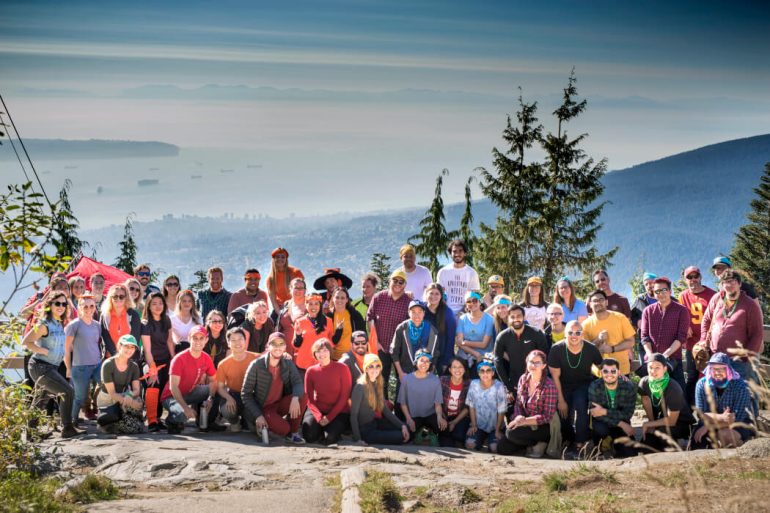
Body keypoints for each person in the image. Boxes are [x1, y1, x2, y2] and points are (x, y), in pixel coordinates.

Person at [23, 291, 84, 438]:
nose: (61, 306)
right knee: (67, 392)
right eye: (57, 303)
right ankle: (67, 428)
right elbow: (26, 342)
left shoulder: (59, 324)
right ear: (49, 305)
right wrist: (41, 350)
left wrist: (68, 367)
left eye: (64, 304)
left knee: (41, 399)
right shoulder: (44, 324)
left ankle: (31, 433)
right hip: (40, 366)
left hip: (52, 367)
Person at [548, 320, 603, 458]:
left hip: (583, 384)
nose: (574, 335)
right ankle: (569, 440)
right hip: (563, 384)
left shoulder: (591, 349)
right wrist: (560, 400)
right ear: (565, 334)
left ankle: (580, 444)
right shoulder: (556, 349)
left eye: (578, 332)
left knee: (580, 404)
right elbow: (555, 377)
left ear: (582, 335)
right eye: (570, 332)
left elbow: (602, 367)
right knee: (563, 414)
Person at [700, 269, 764, 386]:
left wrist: (745, 358)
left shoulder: (749, 305)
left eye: (733, 281)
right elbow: (706, 320)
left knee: (743, 394)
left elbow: (757, 334)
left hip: (738, 362)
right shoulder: (717, 299)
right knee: (717, 393)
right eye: (725, 282)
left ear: (739, 284)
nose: (729, 285)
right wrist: (703, 339)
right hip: (716, 358)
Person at [241, 332, 306, 443]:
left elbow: (297, 382)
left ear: (285, 347)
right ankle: (275, 427)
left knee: (302, 396)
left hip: (278, 405)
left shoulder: (288, 363)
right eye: (274, 344)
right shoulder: (256, 365)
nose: (278, 347)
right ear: (268, 346)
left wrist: (295, 398)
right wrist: (258, 415)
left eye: (281, 344)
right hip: (263, 409)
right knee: (284, 429)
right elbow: (245, 394)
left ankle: (293, 433)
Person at [497, 350, 557, 458]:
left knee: (511, 433)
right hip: (525, 421)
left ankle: (540, 442)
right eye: (531, 362)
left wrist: (524, 422)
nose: (533, 365)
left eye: (537, 363)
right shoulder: (523, 379)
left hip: (543, 426)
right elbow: (518, 403)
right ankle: (529, 445)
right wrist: (518, 417)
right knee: (502, 448)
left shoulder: (549, 386)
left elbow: (547, 417)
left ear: (543, 366)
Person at [161, 326, 218, 434]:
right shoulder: (179, 359)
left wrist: (210, 398)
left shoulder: (206, 358)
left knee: (218, 390)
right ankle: (171, 421)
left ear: (206, 340)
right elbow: (173, 387)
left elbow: (213, 381)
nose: (198, 341)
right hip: (171, 397)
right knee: (183, 414)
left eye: (201, 338)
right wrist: (185, 408)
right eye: (195, 338)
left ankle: (206, 422)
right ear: (189, 339)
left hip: (190, 392)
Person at [693, 352, 756, 449]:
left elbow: (737, 419)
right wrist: (721, 417)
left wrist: (710, 427)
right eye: (714, 368)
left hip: (738, 424)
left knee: (725, 436)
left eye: (722, 368)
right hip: (710, 421)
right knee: (697, 442)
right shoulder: (701, 385)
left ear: (728, 370)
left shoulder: (741, 386)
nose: (717, 372)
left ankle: (746, 445)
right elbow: (701, 414)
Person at [639, 277, 689, 393]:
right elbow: (644, 336)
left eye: (664, 290)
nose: (661, 294)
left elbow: (681, 337)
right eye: (657, 291)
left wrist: (664, 356)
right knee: (653, 397)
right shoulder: (647, 311)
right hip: (652, 364)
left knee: (679, 396)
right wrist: (652, 356)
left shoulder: (682, 311)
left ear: (670, 291)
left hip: (673, 361)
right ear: (654, 294)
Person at [638, 353, 695, 451]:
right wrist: (651, 423)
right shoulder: (644, 383)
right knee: (646, 443)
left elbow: (672, 421)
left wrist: (649, 424)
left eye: (657, 368)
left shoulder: (673, 388)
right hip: (660, 421)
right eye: (650, 367)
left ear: (665, 369)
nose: (653, 371)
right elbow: (646, 401)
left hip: (680, 423)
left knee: (662, 433)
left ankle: (682, 442)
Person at [367, 270, 411, 396]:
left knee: (402, 382)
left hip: (400, 350)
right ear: (389, 281)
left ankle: (399, 411)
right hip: (381, 347)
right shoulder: (379, 297)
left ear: (405, 285)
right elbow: (370, 318)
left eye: (401, 282)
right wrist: (376, 342)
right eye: (395, 280)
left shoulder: (408, 303)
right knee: (381, 381)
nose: (397, 284)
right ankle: (382, 410)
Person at [351, 353, 410, 445]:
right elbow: (353, 415)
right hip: (365, 431)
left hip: (375, 423)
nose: (375, 369)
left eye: (377, 366)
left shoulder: (377, 384)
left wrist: (402, 425)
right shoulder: (360, 387)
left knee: (407, 428)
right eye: (371, 366)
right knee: (400, 436)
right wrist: (358, 439)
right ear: (366, 368)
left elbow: (385, 411)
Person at [302, 339, 352, 445]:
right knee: (309, 436)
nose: (322, 354)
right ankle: (319, 428)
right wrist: (319, 417)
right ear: (314, 354)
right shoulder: (311, 371)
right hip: (318, 409)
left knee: (330, 439)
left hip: (339, 411)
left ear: (330, 351)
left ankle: (329, 430)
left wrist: (329, 418)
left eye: (325, 350)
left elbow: (344, 397)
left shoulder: (342, 368)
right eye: (318, 351)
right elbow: (309, 399)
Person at [494, 304, 549, 398]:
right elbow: (497, 361)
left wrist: (541, 380)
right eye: (512, 317)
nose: (516, 319)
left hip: (537, 382)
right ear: (508, 318)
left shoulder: (536, 333)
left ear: (524, 317)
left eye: (519, 316)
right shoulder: (502, 336)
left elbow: (545, 358)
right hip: (515, 383)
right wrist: (508, 385)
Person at [678, 266, 716, 402]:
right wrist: (685, 325)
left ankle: (709, 407)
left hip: (709, 343)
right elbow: (680, 315)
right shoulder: (682, 296)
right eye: (689, 277)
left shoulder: (712, 294)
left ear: (700, 277)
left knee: (709, 375)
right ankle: (690, 409)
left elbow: (716, 316)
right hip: (691, 344)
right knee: (692, 376)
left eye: (696, 276)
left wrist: (708, 336)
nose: (693, 279)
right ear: (685, 279)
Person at [63, 293, 102, 426]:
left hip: (97, 364)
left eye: (92, 306)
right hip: (80, 367)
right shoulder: (73, 325)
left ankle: (106, 416)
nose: (89, 309)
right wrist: (68, 368)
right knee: (80, 397)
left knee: (107, 387)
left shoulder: (97, 325)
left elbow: (95, 344)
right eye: (85, 306)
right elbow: (66, 348)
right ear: (79, 308)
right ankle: (71, 422)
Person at [588, 358, 638, 457]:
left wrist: (604, 411)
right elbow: (596, 414)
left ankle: (614, 445)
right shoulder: (594, 386)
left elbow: (627, 414)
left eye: (613, 371)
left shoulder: (629, 387)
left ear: (619, 372)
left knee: (631, 454)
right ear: (601, 372)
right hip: (603, 423)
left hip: (622, 423)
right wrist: (621, 424)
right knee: (600, 428)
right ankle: (597, 446)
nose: (609, 374)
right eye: (605, 371)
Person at [141, 292, 175, 432]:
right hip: (151, 361)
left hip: (166, 359)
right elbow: (147, 350)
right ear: (148, 306)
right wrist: (152, 368)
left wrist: (174, 359)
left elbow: (169, 341)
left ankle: (159, 418)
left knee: (163, 389)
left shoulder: (166, 319)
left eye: (160, 303)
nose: (158, 306)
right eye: (154, 303)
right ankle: (152, 421)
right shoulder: (145, 323)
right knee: (153, 384)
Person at [581, 290, 636, 377]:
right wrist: (598, 340)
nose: (598, 302)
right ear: (590, 304)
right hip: (598, 372)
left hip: (621, 370)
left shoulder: (620, 318)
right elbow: (585, 350)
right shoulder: (585, 325)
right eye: (595, 301)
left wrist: (612, 349)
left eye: (601, 300)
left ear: (606, 302)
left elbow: (631, 341)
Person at [97, 334, 144, 434]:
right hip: (108, 399)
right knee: (131, 428)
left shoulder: (134, 366)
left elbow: (136, 390)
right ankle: (106, 422)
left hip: (123, 396)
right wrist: (130, 402)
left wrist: (130, 395)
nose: (129, 349)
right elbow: (112, 393)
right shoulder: (108, 364)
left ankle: (117, 422)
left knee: (139, 403)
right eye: (126, 346)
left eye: (132, 347)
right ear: (119, 346)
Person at [214, 327, 258, 432]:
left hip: (251, 395)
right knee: (227, 410)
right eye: (233, 340)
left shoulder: (256, 358)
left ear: (245, 340)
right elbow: (220, 388)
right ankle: (234, 422)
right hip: (234, 394)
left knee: (252, 429)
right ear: (228, 344)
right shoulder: (223, 364)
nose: (237, 342)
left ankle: (248, 421)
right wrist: (228, 398)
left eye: (240, 339)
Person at [398, 350, 447, 441]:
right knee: (405, 436)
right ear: (416, 362)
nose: (424, 363)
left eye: (427, 361)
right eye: (422, 360)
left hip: (430, 414)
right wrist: (408, 419)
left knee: (444, 430)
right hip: (414, 416)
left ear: (430, 363)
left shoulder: (435, 380)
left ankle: (429, 432)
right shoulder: (407, 380)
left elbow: (437, 404)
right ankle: (422, 432)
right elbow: (403, 403)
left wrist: (439, 417)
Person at [392, 300, 440, 388]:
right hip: (405, 373)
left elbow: (435, 354)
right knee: (403, 400)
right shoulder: (402, 328)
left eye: (420, 312)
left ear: (424, 313)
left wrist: (430, 373)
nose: (416, 315)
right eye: (413, 312)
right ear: (408, 313)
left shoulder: (431, 330)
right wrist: (400, 373)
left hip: (424, 374)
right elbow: (394, 352)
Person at [464, 359, 507, 453]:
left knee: (495, 448)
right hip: (478, 425)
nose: (485, 373)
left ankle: (490, 439)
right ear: (478, 373)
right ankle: (482, 438)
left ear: (493, 372)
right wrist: (473, 425)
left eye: (488, 370)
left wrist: (497, 430)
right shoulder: (474, 384)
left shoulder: (499, 386)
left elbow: (501, 410)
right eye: (482, 371)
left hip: (495, 426)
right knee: (469, 445)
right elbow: (471, 406)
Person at [293, 293, 336, 374]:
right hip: (303, 364)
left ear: (320, 306)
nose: (313, 307)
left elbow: (331, 343)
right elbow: (296, 346)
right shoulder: (299, 321)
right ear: (306, 305)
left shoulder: (328, 321)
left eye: (316, 304)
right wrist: (298, 336)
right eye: (310, 304)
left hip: (322, 363)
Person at [436, 239, 480, 316]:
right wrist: (447, 312)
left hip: (467, 312)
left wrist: (462, 312)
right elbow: (439, 294)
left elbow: (475, 296)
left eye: (460, 251)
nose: (457, 254)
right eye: (454, 251)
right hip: (446, 312)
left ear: (465, 253)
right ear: (450, 253)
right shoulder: (443, 272)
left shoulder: (472, 273)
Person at [455, 291, 495, 374]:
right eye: (468, 301)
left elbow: (484, 344)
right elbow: (459, 343)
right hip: (465, 356)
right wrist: (475, 353)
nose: (472, 303)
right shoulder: (462, 318)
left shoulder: (489, 319)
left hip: (484, 357)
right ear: (466, 304)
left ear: (480, 302)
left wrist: (464, 342)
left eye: (475, 300)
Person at [100, 283, 142, 361]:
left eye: (121, 297)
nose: (118, 299)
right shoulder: (105, 316)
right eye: (115, 296)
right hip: (111, 358)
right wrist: (117, 355)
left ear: (126, 298)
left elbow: (134, 338)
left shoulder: (133, 315)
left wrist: (124, 356)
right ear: (110, 298)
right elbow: (105, 338)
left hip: (130, 358)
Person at [424, 282, 457, 375]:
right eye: (431, 293)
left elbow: (451, 339)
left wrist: (446, 361)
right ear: (426, 294)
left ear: (441, 296)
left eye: (437, 294)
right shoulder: (421, 310)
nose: (433, 296)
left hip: (442, 355)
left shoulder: (448, 313)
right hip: (424, 355)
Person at [327, 286, 366, 360]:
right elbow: (326, 339)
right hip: (333, 358)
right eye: (337, 297)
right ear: (333, 299)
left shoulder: (355, 315)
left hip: (351, 357)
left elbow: (363, 335)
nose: (339, 300)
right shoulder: (328, 316)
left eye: (342, 298)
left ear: (347, 300)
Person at [438, 357, 471, 447]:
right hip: (444, 415)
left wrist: (454, 422)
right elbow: (437, 402)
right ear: (449, 369)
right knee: (446, 442)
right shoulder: (442, 380)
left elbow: (467, 408)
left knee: (459, 437)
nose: (457, 370)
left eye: (460, 367)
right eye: (454, 367)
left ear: (464, 369)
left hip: (460, 417)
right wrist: (442, 417)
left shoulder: (469, 384)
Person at [266, 247, 304, 314]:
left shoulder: (296, 272)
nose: (280, 259)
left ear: (286, 259)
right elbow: (273, 301)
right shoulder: (270, 279)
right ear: (273, 259)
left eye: (283, 257)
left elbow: (302, 292)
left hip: (297, 306)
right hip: (281, 309)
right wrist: (280, 315)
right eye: (277, 257)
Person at [276, 278, 308, 356]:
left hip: (303, 347)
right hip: (285, 348)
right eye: (296, 287)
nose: (298, 290)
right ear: (290, 289)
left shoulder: (310, 304)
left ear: (305, 290)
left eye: (301, 288)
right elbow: (279, 326)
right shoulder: (286, 304)